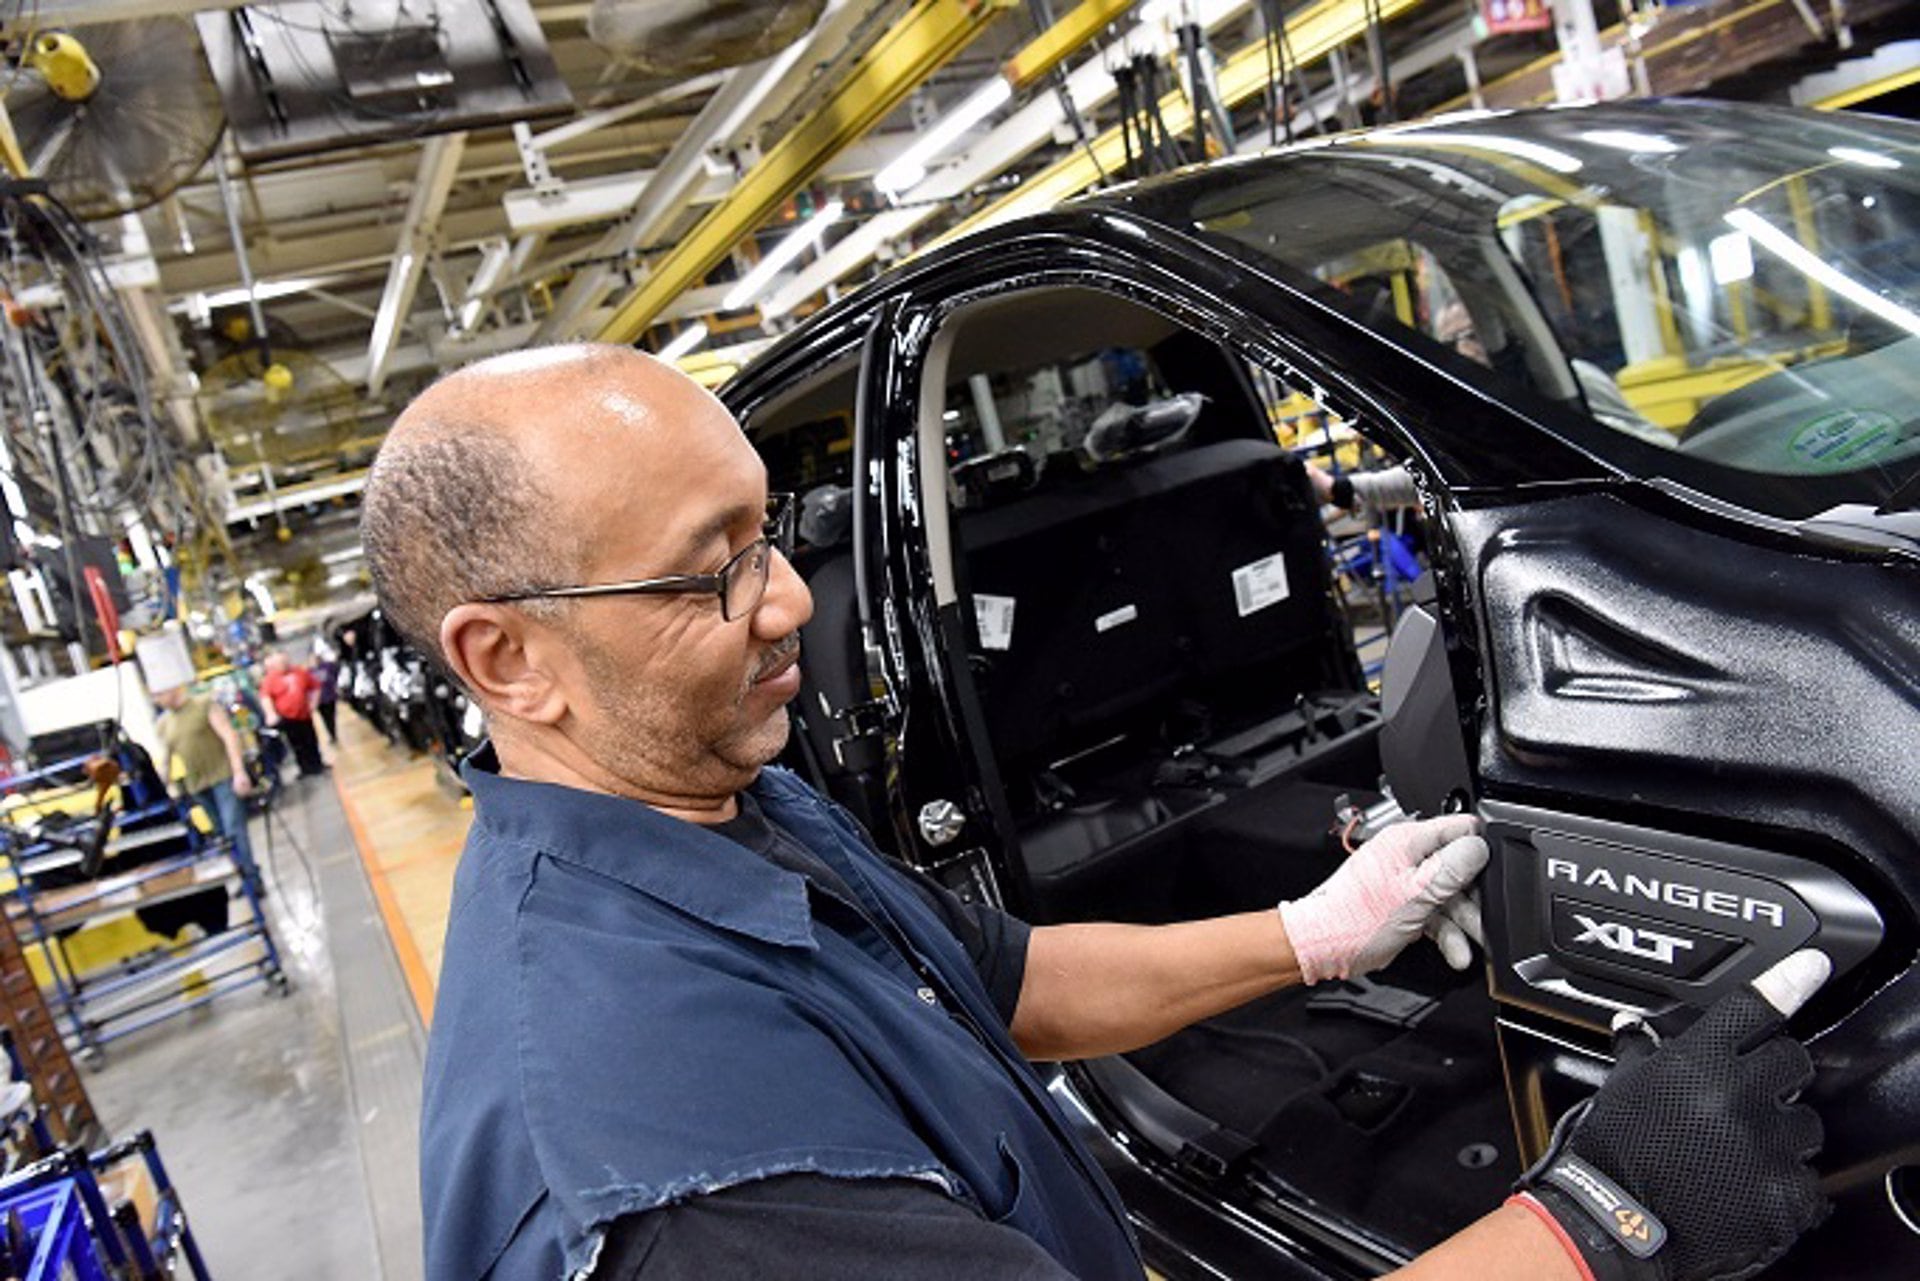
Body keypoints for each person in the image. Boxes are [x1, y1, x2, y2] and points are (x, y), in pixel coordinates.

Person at [363, 346, 1830, 1281]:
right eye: (712, 572)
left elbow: (1007, 983)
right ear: (509, 661)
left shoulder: (721, 808)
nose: (794, 601)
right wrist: (1595, 1224)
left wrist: (1316, 934)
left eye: (771, 535)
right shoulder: (667, 1158)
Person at [151, 681, 257, 881]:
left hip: (223, 777)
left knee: (233, 829)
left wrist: (239, 771)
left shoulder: (203, 704)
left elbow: (229, 736)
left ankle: (251, 878)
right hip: (197, 785)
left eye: (159, 694)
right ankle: (240, 877)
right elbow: (166, 758)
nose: (157, 700)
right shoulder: (164, 723)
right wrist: (162, 785)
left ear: (172, 687)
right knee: (220, 836)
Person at [259, 650, 326, 777]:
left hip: (304, 714)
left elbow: (315, 686)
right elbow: (265, 697)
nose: (283, 665)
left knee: (311, 740)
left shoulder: (299, 672)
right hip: (287, 717)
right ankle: (304, 768)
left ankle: (317, 764)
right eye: (280, 663)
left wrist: (314, 703)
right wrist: (270, 713)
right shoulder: (270, 679)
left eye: (284, 662)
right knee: (296, 744)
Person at [310, 640, 342, 745]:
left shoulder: (328, 666)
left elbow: (337, 673)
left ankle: (333, 733)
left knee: (331, 716)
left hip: (330, 696)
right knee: (325, 718)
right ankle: (331, 734)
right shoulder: (309, 671)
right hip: (319, 700)